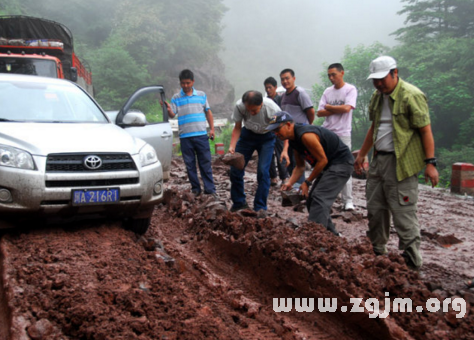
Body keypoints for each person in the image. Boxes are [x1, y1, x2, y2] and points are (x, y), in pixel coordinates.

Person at [354, 56, 439, 270]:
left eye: (382, 79)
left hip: (401, 163)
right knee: (375, 210)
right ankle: (378, 256)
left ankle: (412, 266)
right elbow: (374, 127)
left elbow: (425, 130)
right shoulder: (376, 96)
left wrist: (431, 163)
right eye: (375, 80)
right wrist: (363, 154)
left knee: (403, 215)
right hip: (378, 160)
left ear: (395, 73)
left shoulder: (411, 95)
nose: (379, 83)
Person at [266, 112, 354, 236]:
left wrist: (307, 182)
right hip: (329, 165)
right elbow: (300, 166)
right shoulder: (293, 141)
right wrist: (290, 182)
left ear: (288, 125)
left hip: (341, 163)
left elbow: (322, 160)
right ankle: (331, 235)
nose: (276, 133)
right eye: (273, 131)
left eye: (277, 129)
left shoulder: (306, 135)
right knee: (312, 199)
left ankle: (314, 238)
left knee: (319, 198)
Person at [163, 69, 217, 198]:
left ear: (193, 81)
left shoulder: (202, 95)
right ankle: (195, 189)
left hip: (201, 135)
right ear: (180, 83)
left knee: (205, 163)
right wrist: (168, 109)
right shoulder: (176, 97)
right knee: (190, 165)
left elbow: (208, 112)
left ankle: (210, 189)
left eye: (188, 83)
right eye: (183, 83)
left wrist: (212, 129)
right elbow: (172, 114)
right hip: (185, 137)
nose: (185, 85)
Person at [229, 90, 280, 212]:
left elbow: (283, 128)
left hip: (267, 138)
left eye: (254, 110)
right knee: (235, 169)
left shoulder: (272, 109)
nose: (251, 113)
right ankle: (239, 203)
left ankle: (260, 207)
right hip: (247, 135)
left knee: (263, 171)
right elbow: (237, 127)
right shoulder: (240, 106)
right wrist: (232, 146)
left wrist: (285, 150)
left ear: (261, 104)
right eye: (249, 109)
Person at [317, 63, 358, 211]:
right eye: (329, 75)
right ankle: (324, 198)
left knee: (345, 167)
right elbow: (319, 113)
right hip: (327, 132)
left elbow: (347, 109)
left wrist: (329, 107)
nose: (331, 77)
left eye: (333, 74)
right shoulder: (327, 91)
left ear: (342, 73)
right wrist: (337, 109)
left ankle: (348, 201)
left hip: (343, 134)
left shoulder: (350, 89)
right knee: (324, 165)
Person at [279, 69, 315, 184]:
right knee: (288, 162)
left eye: (287, 78)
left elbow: (311, 111)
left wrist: (306, 126)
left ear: (293, 78)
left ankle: (300, 190)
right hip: (288, 135)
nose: (285, 81)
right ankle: (294, 186)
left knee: (298, 162)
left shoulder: (300, 93)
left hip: (300, 134)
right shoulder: (283, 96)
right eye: (282, 79)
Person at [264, 76, 288, 186]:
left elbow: (281, 115)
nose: (268, 90)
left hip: (279, 131)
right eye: (266, 88)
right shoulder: (265, 101)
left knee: (280, 153)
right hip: (269, 131)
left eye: (270, 88)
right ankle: (273, 177)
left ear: (275, 87)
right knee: (269, 154)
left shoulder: (281, 100)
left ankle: (284, 177)